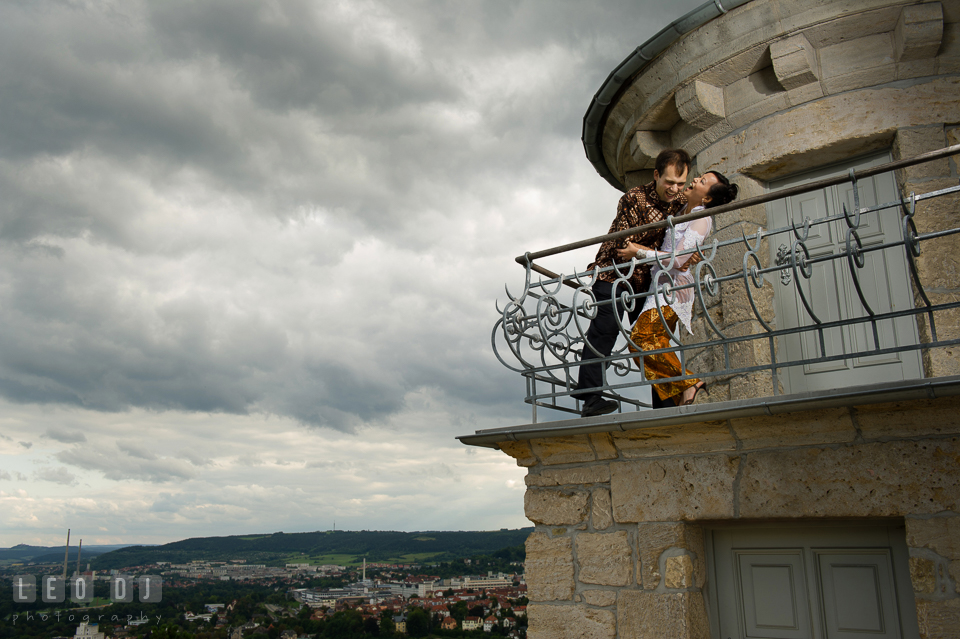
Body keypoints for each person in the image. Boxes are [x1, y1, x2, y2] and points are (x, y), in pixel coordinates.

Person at [574, 149, 691, 418]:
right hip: (613, 273)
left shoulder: (682, 201)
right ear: (656, 175)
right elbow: (623, 246)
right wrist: (647, 252)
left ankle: (665, 403)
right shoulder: (633, 198)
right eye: (669, 182)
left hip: (645, 281)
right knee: (604, 330)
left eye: (680, 183)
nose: (674, 189)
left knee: (650, 338)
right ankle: (591, 398)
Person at [618, 172, 739, 406]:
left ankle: (689, 382)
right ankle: (678, 396)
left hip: (673, 290)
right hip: (658, 286)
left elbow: (678, 260)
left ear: (707, 199)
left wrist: (638, 252)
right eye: (699, 177)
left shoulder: (702, 218)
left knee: (642, 340)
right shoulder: (682, 209)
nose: (694, 181)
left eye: (702, 182)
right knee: (643, 346)